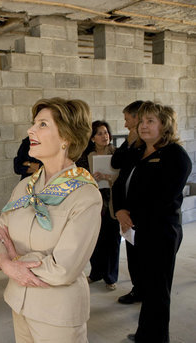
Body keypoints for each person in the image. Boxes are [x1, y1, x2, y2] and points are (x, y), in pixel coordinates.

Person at [0, 98, 102, 343]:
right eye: (33, 123)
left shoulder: (85, 195)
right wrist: (7, 264)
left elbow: (63, 268)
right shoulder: (24, 187)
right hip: (19, 302)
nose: (31, 130)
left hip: (57, 313)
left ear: (66, 138)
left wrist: (14, 258)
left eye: (42, 124)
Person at [112, 101, 192, 342]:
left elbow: (163, 200)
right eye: (142, 121)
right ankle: (145, 333)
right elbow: (119, 182)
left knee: (158, 289)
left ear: (164, 125)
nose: (143, 126)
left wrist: (130, 216)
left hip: (160, 230)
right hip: (135, 228)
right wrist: (120, 210)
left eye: (150, 121)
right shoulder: (137, 151)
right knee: (146, 285)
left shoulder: (176, 157)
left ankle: (156, 337)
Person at [77, 121, 120, 291]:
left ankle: (111, 276)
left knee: (113, 241)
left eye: (106, 132)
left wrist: (108, 178)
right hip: (94, 204)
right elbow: (78, 178)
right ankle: (96, 273)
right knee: (95, 240)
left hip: (112, 203)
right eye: (100, 133)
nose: (105, 136)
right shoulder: (85, 156)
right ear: (93, 138)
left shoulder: (117, 154)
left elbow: (124, 177)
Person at [111, 100, 143, 304]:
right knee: (132, 251)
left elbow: (132, 164)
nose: (124, 124)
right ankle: (137, 289)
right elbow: (116, 162)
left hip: (141, 210)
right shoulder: (131, 140)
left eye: (127, 119)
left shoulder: (149, 146)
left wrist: (132, 147)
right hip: (127, 209)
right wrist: (129, 144)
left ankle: (145, 290)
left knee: (144, 255)